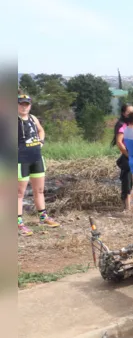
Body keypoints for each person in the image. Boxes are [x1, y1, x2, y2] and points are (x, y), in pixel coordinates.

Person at [17, 93, 59, 236]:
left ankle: (43, 217)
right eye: (21, 104)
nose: (24, 106)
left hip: (36, 158)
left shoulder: (33, 118)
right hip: (20, 160)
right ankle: (18, 223)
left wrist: (41, 142)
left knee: (39, 190)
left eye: (26, 104)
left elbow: (41, 130)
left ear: (30, 105)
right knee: (19, 193)